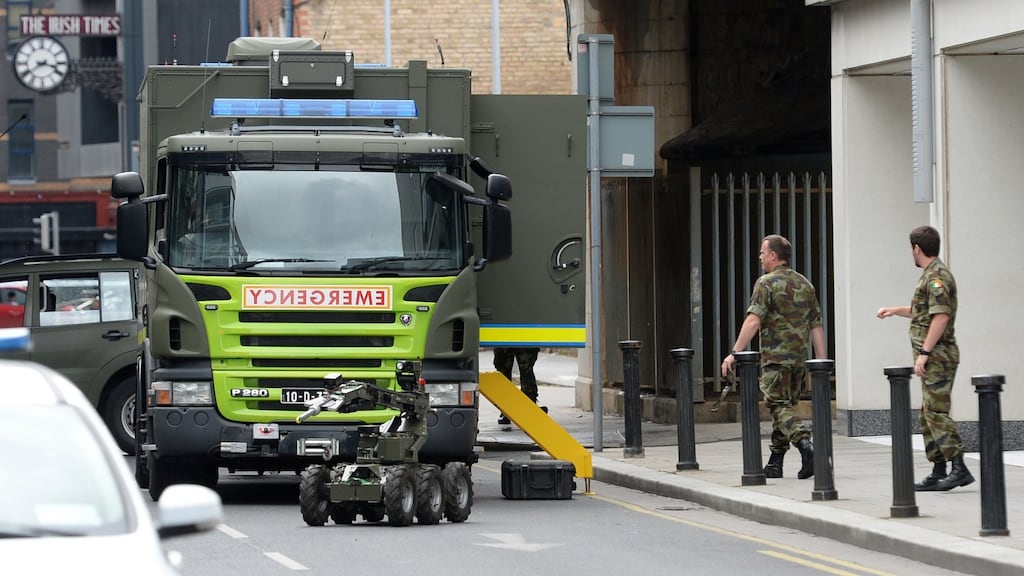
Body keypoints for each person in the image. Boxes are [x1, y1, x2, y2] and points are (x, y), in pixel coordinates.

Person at [721, 234, 826, 480]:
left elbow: (754, 319)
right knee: (785, 407)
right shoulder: (804, 284)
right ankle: (775, 462)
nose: (759, 258)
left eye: (761, 253)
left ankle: (806, 446)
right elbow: (816, 324)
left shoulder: (766, 283)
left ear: (773, 255)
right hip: (799, 360)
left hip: (776, 358)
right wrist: (820, 361)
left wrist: (735, 353)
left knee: (777, 405)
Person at [877, 225, 973, 491]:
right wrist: (895, 310)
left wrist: (925, 353)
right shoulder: (932, 275)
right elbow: (924, 312)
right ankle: (938, 469)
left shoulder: (937, 277)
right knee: (928, 413)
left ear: (917, 249)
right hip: (934, 357)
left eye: (911, 249)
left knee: (936, 412)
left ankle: (959, 467)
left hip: (939, 357)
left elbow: (940, 316)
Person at [492, 346, 543, 425]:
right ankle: (508, 410)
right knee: (505, 372)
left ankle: (529, 408)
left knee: (525, 370)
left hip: (520, 338)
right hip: (505, 338)